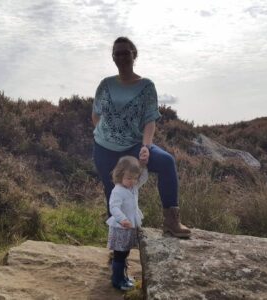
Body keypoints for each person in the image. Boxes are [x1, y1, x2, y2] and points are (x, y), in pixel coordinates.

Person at [92, 36, 191, 238]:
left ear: (134, 55)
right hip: (104, 149)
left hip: (134, 145)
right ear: (113, 57)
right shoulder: (105, 84)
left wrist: (146, 146)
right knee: (114, 194)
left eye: (125, 52)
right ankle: (118, 248)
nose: (121, 57)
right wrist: (108, 134)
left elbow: (150, 120)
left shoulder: (146, 86)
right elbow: (96, 114)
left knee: (165, 162)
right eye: (117, 53)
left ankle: (172, 221)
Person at [106, 156, 147, 290]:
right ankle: (117, 280)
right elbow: (114, 207)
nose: (132, 181)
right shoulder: (118, 190)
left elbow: (143, 177)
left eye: (135, 178)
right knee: (119, 255)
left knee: (125, 253)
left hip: (129, 228)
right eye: (129, 178)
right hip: (120, 228)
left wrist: (144, 164)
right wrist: (122, 219)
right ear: (120, 175)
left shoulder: (133, 187)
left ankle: (123, 277)